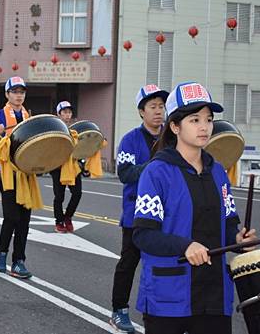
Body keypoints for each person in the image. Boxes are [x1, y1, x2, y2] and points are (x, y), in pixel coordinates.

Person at [132, 81, 256, 334]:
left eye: (208, 119)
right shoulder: (156, 173)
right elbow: (143, 235)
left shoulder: (219, 172)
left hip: (214, 295)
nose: (204, 127)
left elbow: (229, 221)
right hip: (169, 297)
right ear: (175, 126)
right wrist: (185, 246)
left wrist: (239, 238)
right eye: (194, 120)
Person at [109, 84, 168, 333]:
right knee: (128, 264)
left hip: (167, 215)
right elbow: (125, 173)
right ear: (141, 111)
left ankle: (161, 312)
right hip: (136, 214)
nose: (159, 111)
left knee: (163, 266)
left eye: (162, 106)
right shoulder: (130, 140)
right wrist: (155, 166)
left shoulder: (172, 136)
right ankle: (118, 310)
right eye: (153, 106)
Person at [0, 77, 38, 279]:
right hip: (7, 174)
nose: (19, 95)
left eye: (22, 92)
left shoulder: (30, 117)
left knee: (25, 220)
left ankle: (19, 260)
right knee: (12, 217)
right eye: (15, 91)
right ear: (7, 94)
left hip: (26, 173)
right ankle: (1, 253)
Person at [49, 101, 83, 233]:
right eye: (64, 112)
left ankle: (68, 217)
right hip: (57, 167)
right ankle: (59, 221)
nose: (68, 115)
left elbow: (81, 147)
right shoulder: (53, 129)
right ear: (58, 114)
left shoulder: (75, 130)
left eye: (69, 112)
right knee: (59, 196)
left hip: (72, 166)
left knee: (77, 193)